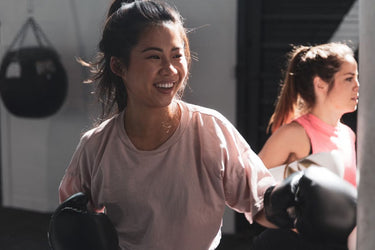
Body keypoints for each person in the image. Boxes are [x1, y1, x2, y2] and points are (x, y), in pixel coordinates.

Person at [57, 0, 276, 249]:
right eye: (154, 57)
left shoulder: (211, 131)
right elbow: (70, 221)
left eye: (177, 55)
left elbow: (260, 201)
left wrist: (291, 203)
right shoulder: (96, 147)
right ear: (118, 66)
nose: (170, 69)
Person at [252, 42, 359, 249]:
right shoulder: (294, 134)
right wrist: (287, 218)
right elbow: (247, 191)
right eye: (348, 78)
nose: (357, 85)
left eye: (356, 77)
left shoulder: (348, 135)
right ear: (320, 84)